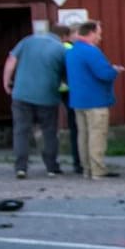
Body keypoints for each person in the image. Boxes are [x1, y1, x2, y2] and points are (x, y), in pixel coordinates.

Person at [1, 25, 67, 179]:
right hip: (47, 97)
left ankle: (21, 167)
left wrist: (6, 82)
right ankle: (51, 167)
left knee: (21, 131)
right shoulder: (60, 49)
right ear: (63, 36)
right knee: (49, 132)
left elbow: (11, 61)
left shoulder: (27, 41)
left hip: (21, 94)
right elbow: (66, 75)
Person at [65, 20, 123, 179]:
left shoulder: (72, 51)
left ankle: (86, 169)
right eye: (98, 33)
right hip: (95, 100)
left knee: (82, 135)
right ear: (90, 33)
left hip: (78, 99)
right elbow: (103, 74)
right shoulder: (91, 51)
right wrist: (114, 70)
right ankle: (98, 169)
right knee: (97, 135)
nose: (100, 37)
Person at [52, 24, 82, 175]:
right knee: (76, 127)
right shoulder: (69, 48)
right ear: (67, 35)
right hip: (71, 91)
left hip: (56, 90)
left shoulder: (51, 48)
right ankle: (79, 162)